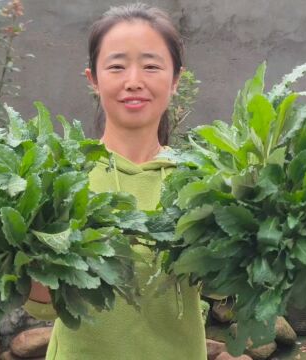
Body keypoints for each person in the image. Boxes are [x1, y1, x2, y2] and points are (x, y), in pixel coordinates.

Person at [24, 3, 207, 360]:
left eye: (151, 66)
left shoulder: (199, 180)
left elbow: (219, 289)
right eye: (117, 66)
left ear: (175, 80)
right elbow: (43, 306)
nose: (134, 81)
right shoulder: (62, 175)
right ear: (93, 79)